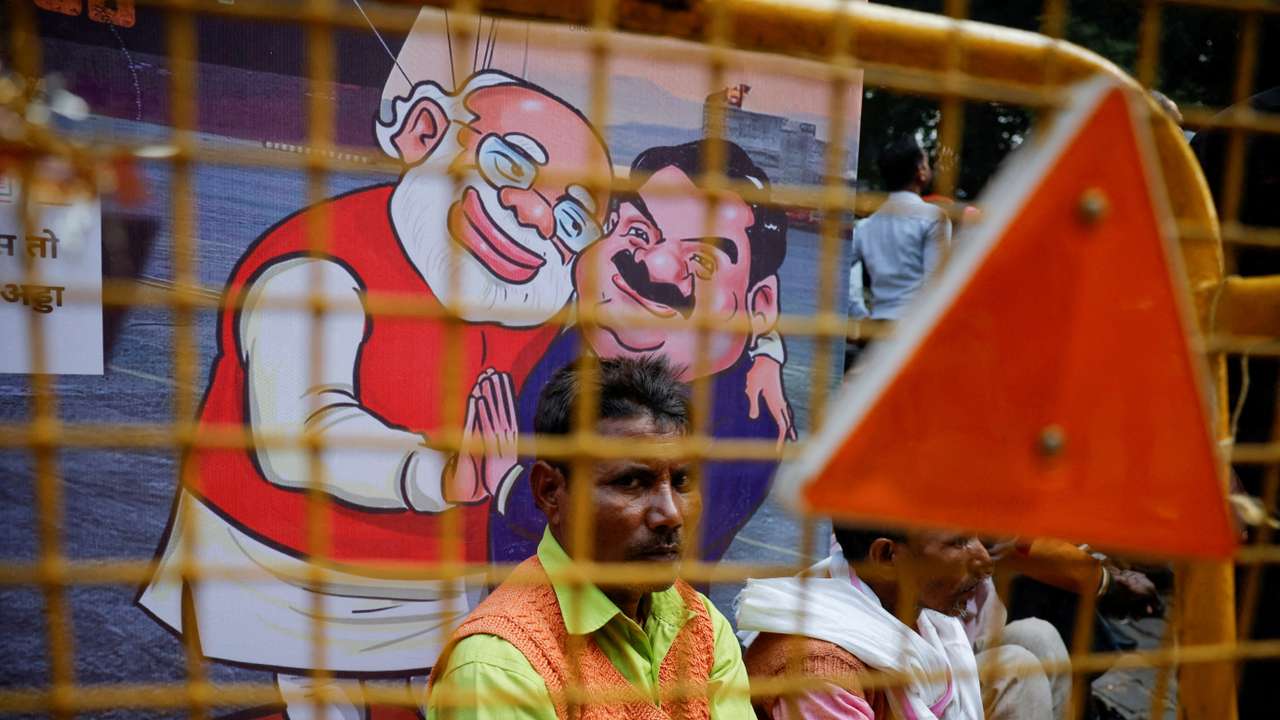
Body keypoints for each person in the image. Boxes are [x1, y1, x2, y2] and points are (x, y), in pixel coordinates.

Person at [139, 70, 615, 720]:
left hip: (440, 574)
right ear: (426, 131)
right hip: (286, 562)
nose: (533, 214)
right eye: (509, 165)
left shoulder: (538, 300)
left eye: (571, 216)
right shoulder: (318, 265)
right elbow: (300, 436)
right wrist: (434, 474)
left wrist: (764, 348)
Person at [490, 139, 794, 565]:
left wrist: (506, 482)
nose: (657, 267)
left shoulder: (748, 417)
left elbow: (643, 538)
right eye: (637, 231)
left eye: (702, 260)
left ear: (759, 304)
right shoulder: (580, 337)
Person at [425, 357, 753, 719]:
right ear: (550, 491)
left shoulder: (700, 624)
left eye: (682, 483)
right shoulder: (497, 667)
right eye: (631, 482)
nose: (671, 514)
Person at [737, 523, 1070, 720]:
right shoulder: (819, 676)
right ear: (886, 556)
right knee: (1019, 666)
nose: (984, 560)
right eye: (959, 542)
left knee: (1038, 638)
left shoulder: (893, 599)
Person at [846, 133, 951, 371]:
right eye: (925, 162)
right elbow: (937, 284)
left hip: (876, 331)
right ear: (920, 172)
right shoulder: (935, 218)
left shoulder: (865, 226)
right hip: (916, 331)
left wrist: (859, 311)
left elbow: (840, 273)